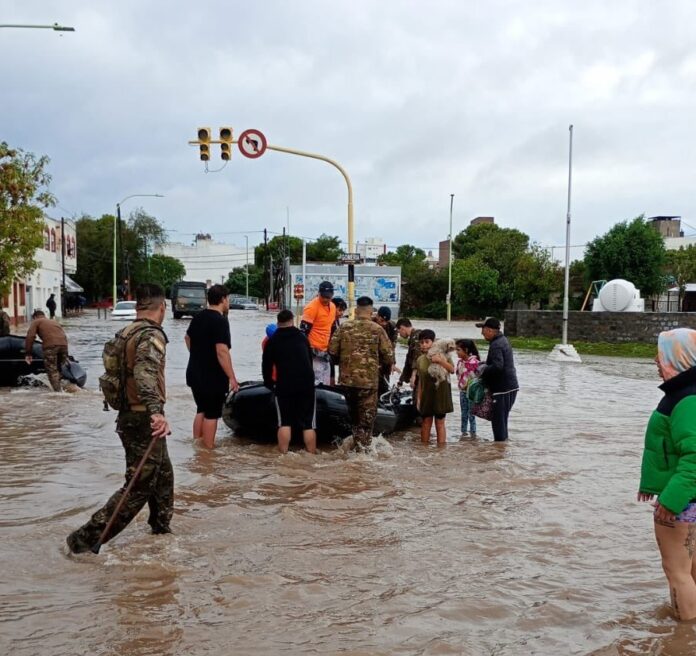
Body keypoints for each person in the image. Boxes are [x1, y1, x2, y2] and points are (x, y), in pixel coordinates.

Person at [66, 284, 173, 553]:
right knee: (137, 487)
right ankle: (83, 540)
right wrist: (157, 413)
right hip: (143, 418)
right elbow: (144, 374)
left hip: (131, 416)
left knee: (163, 476)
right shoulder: (150, 335)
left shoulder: (125, 332)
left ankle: (161, 532)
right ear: (162, 308)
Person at [638, 328, 696, 621]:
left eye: (661, 355)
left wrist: (671, 501)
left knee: (677, 573)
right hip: (689, 498)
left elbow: (694, 458)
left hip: (683, 501)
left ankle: (682, 638)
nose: (656, 361)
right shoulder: (688, 392)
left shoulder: (687, 398)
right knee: (690, 570)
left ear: (679, 357)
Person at [329, 296, 393, 450]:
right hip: (369, 384)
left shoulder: (344, 327)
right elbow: (389, 356)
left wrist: (344, 364)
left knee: (354, 419)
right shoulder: (378, 330)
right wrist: (382, 370)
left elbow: (332, 351)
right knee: (366, 423)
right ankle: (362, 457)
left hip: (347, 382)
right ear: (371, 312)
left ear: (356, 310)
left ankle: (354, 451)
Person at [185, 284, 239, 449]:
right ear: (223, 299)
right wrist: (232, 377)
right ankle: (208, 451)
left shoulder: (199, 316)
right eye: (228, 298)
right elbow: (222, 351)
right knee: (212, 414)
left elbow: (187, 338)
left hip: (194, 372)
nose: (228, 302)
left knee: (201, 409)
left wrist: (197, 354)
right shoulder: (220, 321)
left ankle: (197, 445)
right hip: (212, 376)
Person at [262, 309, 317, 454]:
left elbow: (266, 366)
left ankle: (284, 455)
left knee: (284, 422)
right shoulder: (302, 337)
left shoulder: (273, 341)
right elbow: (309, 361)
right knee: (308, 423)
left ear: (278, 322)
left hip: (285, 384)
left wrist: (269, 383)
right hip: (306, 384)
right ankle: (311, 454)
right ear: (292, 320)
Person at [477, 317, 519, 442]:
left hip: (502, 389)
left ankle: (499, 451)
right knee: (502, 420)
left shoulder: (496, 344)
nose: (481, 333)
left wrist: (483, 369)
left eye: (483, 330)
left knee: (498, 422)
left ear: (489, 330)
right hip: (510, 386)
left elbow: (498, 366)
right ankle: (502, 449)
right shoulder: (503, 340)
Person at [415, 329, 454, 445]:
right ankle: (424, 449)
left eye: (427, 342)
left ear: (433, 342)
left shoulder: (444, 355)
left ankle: (440, 451)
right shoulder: (420, 360)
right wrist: (419, 398)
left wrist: (440, 361)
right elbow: (420, 381)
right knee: (426, 422)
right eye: (421, 342)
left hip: (441, 393)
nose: (424, 345)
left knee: (440, 422)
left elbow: (452, 370)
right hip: (427, 394)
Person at [300, 281, 337, 385]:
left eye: (328, 297)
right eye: (323, 297)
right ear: (319, 293)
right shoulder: (311, 307)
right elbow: (303, 332)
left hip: (325, 351)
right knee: (316, 382)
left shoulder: (333, 307)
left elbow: (332, 328)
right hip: (313, 351)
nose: (326, 299)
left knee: (326, 382)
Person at [24, 310, 69, 392]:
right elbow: (63, 335)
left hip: (50, 346)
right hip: (64, 345)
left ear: (34, 317)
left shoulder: (36, 321)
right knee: (61, 368)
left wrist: (28, 353)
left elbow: (30, 337)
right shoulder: (53, 321)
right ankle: (66, 388)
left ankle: (59, 393)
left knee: (52, 370)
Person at [455, 339, 481, 438]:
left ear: (465, 349)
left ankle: (473, 434)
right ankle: (464, 433)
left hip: (472, 393)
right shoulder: (460, 362)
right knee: (463, 413)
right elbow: (459, 375)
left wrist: (468, 385)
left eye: (458, 350)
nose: (456, 352)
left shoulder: (474, 362)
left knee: (471, 414)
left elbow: (478, 378)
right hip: (462, 391)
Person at [374, 306, 398, 395]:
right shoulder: (370, 323)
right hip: (372, 358)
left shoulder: (392, 326)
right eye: (381, 321)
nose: (384, 323)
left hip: (385, 358)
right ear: (377, 316)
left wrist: (392, 362)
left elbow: (392, 346)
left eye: (386, 321)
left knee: (384, 384)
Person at [396, 318, 421, 387]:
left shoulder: (416, 337)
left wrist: (413, 375)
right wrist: (401, 380)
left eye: (399, 332)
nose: (400, 335)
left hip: (420, 375)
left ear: (402, 328)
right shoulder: (413, 338)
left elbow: (417, 357)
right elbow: (408, 360)